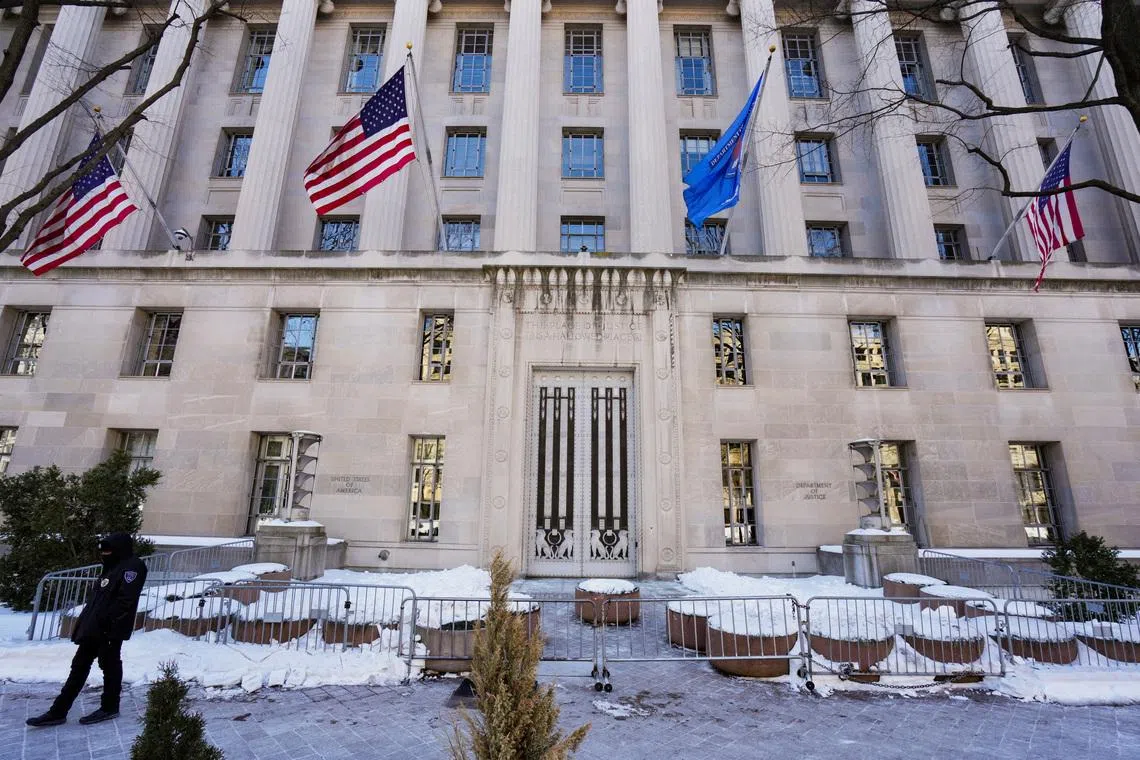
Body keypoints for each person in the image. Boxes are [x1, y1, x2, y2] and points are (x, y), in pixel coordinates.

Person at [26, 532, 148, 727]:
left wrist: (110, 624)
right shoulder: (111, 567)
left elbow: (126, 600)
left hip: (109, 629)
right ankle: (58, 711)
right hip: (93, 628)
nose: (105, 554)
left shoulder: (132, 566)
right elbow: (98, 600)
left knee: (109, 666)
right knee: (79, 667)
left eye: (108, 549)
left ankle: (109, 707)